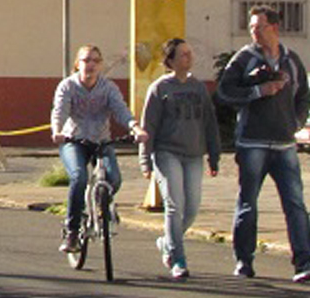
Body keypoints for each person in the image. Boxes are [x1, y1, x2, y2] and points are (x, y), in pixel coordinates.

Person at [217, 4, 310, 283]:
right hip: (252, 142)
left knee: (295, 203)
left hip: (284, 143)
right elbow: (225, 91)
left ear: (275, 28)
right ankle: (244, 260)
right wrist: (258, 90)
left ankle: (304, 261)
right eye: (251, 28)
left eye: (260, 27)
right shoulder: (244, 59)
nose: (255, 33)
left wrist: (297, 122)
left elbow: (303, 96)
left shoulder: (292, 60)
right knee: (248, 203)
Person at [51, 45, 146, 253]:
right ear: (78, 64)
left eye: (95, 60)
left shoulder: (108, 87)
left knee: (114, 179)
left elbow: (121, 110)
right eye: (86, 60)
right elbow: (60, 111)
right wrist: (57, 130)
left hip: (101, 141)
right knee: (79, 177)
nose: (91, 65)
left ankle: (102, 206)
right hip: (74, 141)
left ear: (100, 65)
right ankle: (72, 231)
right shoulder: (67, 86)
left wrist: (135, 128)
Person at [139, 38, 221, 280]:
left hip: (194, 153)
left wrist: (214, 156)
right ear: (171, 61)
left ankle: (167, 241)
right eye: (183, 54)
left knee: (192, 208)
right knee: (174, 205)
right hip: (167, 152)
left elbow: (209, 123)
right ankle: (178, 258)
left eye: (190, 53)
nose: (188, 58)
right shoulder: (160, 88)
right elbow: (149, 126)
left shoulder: (198, 88)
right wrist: (145, 161)